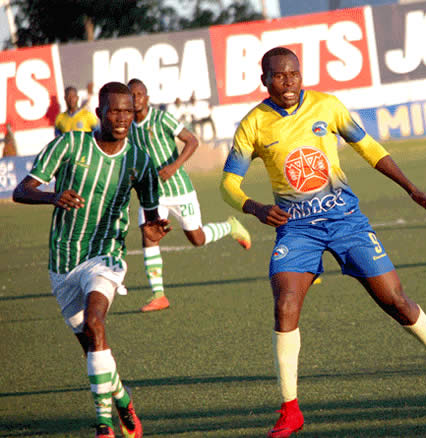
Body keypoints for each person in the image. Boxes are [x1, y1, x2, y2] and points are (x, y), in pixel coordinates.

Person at [220, 47, 426, 438]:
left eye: (294, 73)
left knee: (395, 302)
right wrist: (254, 208)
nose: (289, 82)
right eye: (279, 76)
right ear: (265, 81)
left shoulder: (328, 107)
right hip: (297, 230)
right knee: (285, 305)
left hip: (346, 221)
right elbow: (228, 184)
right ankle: (290, 409)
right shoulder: (253, 125)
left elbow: (369, 149)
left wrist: (412, 189)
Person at [12, 82, 170, 438]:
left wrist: (154, 229)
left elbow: (150, 215)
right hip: (64, 260)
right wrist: (53, 198)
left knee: (96, 324)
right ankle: (122, 397)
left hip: (106, 255)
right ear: (98, 113)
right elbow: (23, 190)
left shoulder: (140, 160)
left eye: (128, 112)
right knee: (92, 345)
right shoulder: (69, 144)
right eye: (114, 111)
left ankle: (103, 425)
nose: (121, 118)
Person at [126, 78, 252, 312]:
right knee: (149, 236)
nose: (135, 99)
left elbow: (191, 140)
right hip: (152, 194)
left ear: (147, 97)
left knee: (197, 239)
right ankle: (158, 295)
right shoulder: (127, 126)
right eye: (131, 95)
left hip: (179, 190)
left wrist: (174, 166)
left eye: (139, 94)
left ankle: (230, 226)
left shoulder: (161, 118)